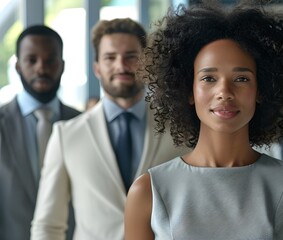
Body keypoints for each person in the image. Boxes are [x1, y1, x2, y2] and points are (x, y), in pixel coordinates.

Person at [125, 3, 283, 240]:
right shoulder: (148, 191)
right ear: (188, 90)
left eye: (241, 78)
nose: (225, 92)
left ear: (261, 90)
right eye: (209, 78)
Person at [31, 18, 189, 240]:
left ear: (147, 64)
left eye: (131, 57)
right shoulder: (66, 136)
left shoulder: (180, 130)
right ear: (97, 67)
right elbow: (48, 225)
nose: (121, 66)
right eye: (110, 57)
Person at [0, 25, 79, 240]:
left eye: (50, 60)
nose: (41, 69)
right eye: (31, 60)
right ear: (17, 66)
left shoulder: (82, 124)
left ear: (62, 65)